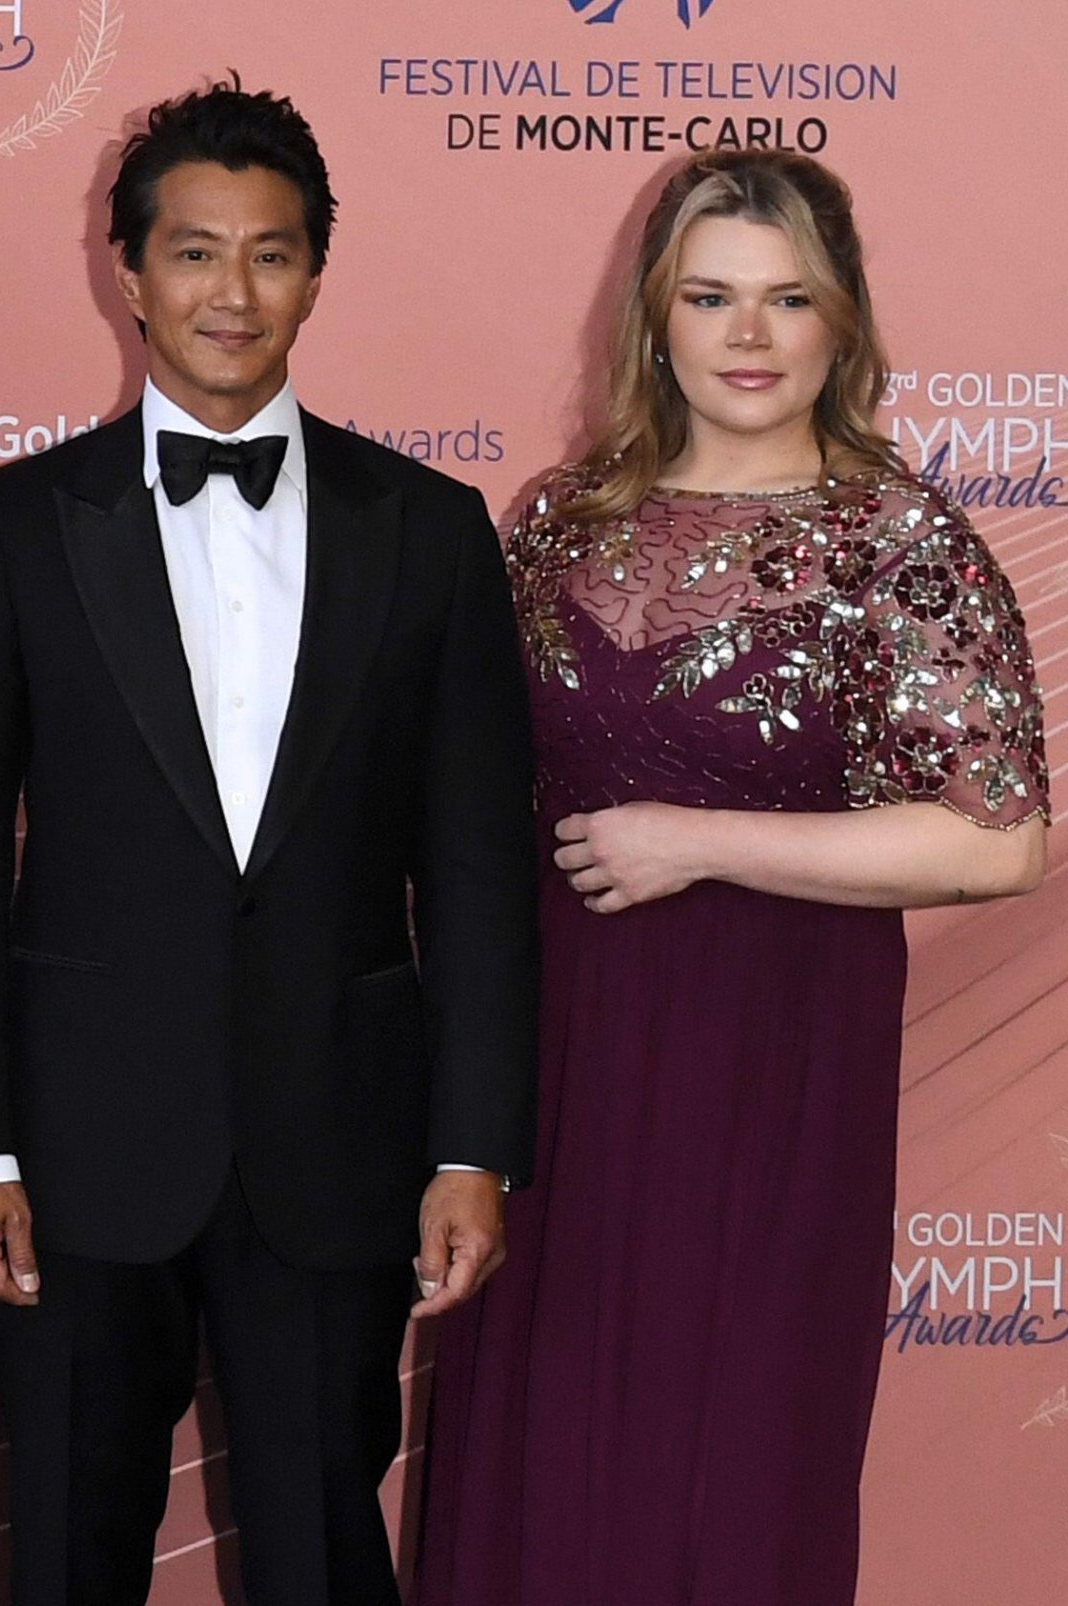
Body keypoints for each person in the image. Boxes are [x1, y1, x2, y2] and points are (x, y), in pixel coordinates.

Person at [0, 79, 538, 1606]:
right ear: (127, 272)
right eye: (193, 253)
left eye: (269, 254)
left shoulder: (433, 531)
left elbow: (477, 870)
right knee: (67, 1550)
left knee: (326, 1549)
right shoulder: (12, 526)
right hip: (74, 1156)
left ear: (318, 271)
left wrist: (473, 1143)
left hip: (338, 1143)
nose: (230, 293)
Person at [410, 148, 1048, 1606]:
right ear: (656, 317)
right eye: (711, 296)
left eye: (788, 299)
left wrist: (696, 840)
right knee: (545, 1446)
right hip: (560, 1065)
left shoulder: (897, 542)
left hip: (773, 1070)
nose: (749, 336)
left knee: (737, 1453)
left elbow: (1002, 833)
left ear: (844, 323)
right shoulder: (558, 522)